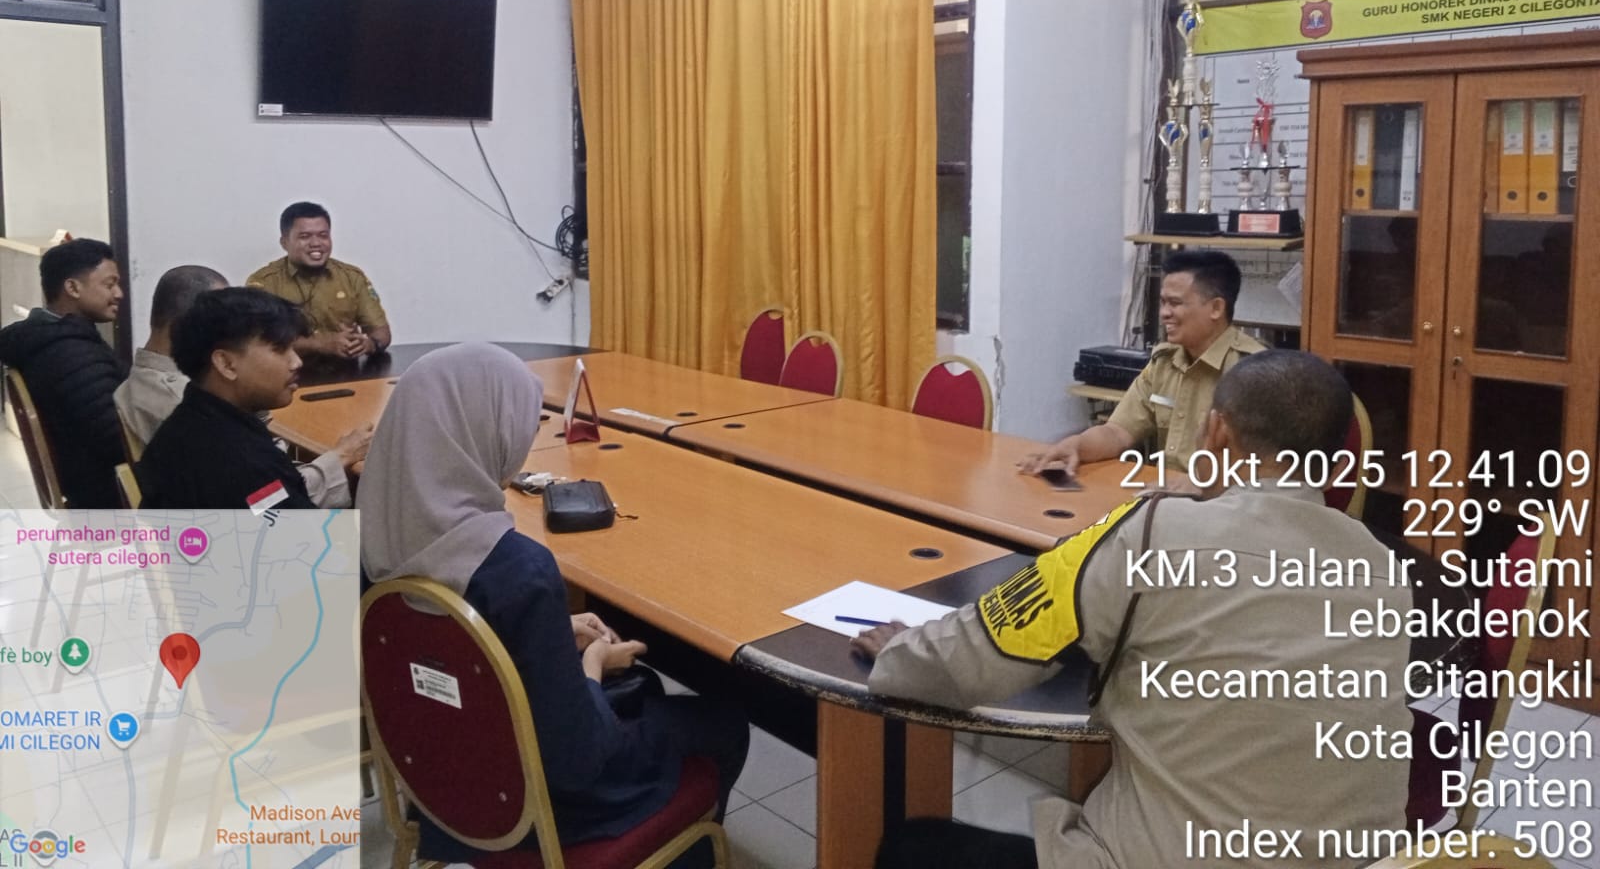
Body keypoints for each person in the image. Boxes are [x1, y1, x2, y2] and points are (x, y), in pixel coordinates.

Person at [858, 352, 1411, 869]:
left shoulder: (1153, 534)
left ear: (1218, 433)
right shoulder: (1386, 571)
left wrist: (901, 652)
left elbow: (975, 655)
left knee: (913, 848)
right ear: (1339, 465)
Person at [359, 343, 748, 866]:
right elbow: (578, 760)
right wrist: (594, 661)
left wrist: (552, 631)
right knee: (719, 722)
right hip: (541, 812)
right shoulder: (518, 570)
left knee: (642, 693)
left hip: (439, 786)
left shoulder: (373, 539)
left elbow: (455, 640)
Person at [115, 266, 364, 505]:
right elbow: (282, 514)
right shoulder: (231, 457)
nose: (297, 362)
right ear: (225, 363)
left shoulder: (196, 412)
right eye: (280, 349)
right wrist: (340, 458)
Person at [1021, 250, 1264, 480]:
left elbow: (1266, 469)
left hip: (1223, 500)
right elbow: (1117, 432)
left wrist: (1200, 485)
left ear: (1216, 308)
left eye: (1175, 303)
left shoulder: (1254, 372)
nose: (1164, 313)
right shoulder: (1164, 363)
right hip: (1163, 491)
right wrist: (1075, 445)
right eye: (1163, 302)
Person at [0, 238, 126, 508]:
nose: (119, 294)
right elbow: (119, 442)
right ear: (73, 288)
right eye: (109, 284)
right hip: (106, 495)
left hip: (85, 486)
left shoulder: (44, 338)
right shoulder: (71, 354)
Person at [247, 201, 391, 360]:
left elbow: (381, 331)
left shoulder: (351, 277)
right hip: (285, 372)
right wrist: (319, 344)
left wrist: (369, 344)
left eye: (323, 235)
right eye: (304, 236)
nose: (316, 243)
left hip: (345, 370)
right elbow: (257, 341)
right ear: (284, 242)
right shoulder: (264, 283)